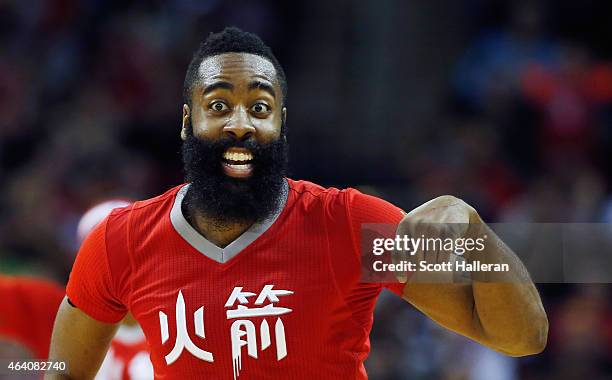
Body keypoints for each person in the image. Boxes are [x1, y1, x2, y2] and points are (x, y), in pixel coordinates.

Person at [47, 27, 548, 379]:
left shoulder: (350, 224)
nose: (240, 123)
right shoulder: (121, 241)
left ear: (281, 125)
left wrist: (477, 235)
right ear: (186, 122)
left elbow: (521, 338)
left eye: (260, 107)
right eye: (218, 104)